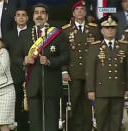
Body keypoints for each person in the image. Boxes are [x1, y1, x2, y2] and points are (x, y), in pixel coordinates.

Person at [14, 3, 69, 131]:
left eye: (42, 12)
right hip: (33, 85)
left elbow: (65, 56)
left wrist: (50, 61)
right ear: (32, 16)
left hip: (51, 84)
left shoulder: (57, 34)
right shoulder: (25, 34)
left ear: (47, 16)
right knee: (35, 121)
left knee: (51, 121)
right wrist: (24, 60)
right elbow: (15, 57)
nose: (39, 15)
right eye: (36, 12)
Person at [62, 1, 101, 131]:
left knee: (88, 103)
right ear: (73, 13)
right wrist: (64, 71)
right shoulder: (66, 30)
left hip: (90, 73)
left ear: (85, 12)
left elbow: (99, 51)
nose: (79, 11)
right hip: (74, 72)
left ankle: (87, 128)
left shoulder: (94, 29)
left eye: (82, 9)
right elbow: (64, 52)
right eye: (77, 9)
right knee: (75, 102)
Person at [86, 15, 128, 131]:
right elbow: (90, 70)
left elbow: (126, 70)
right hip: (101, 91)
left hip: (118, 90)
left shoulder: (124, 46)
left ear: (116, 29)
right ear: (102, 30)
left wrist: (127, 88)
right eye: (107, 28)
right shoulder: (95, 47)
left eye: (113, 28)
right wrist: (91, 89)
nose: (110, 30)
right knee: (102, 121)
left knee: (116, 121)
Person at [5, 8, 29, 131]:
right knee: (15, 103)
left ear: (27, 18)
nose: (21, 17)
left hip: (30, 74)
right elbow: (4, 54)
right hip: (13, 74)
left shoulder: (33, 33)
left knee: (29, 104)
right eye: (18, 15)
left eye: (23, 15)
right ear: (14, 18)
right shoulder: (8, 34)